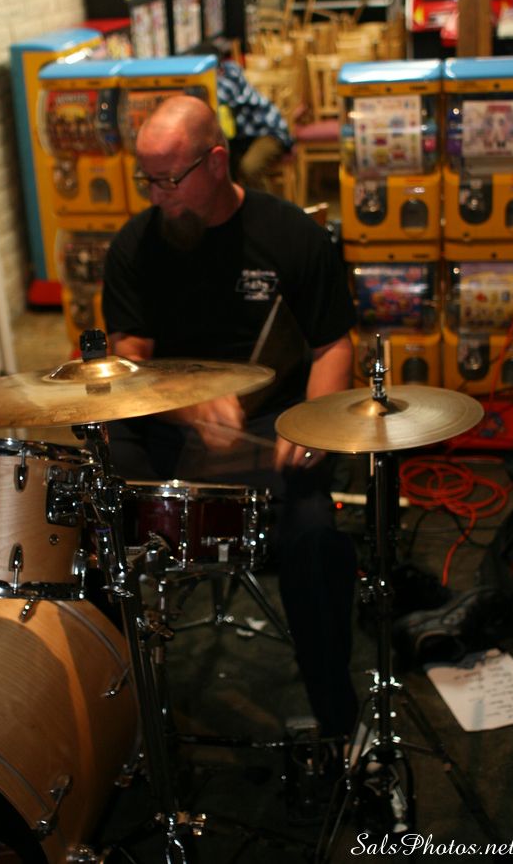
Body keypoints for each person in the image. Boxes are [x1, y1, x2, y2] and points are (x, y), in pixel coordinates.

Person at [102, 95, 358, 745]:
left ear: (216, 162)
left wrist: (312, 425)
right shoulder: (135, 246)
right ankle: (107, 711)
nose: (157, 197)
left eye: (170, 180)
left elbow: (333, 343)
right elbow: (127, 362)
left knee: (314, 536)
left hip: (269, 426)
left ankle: (337, 720)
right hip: (163, 424)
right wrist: (188, 405)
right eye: (147, 180)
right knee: (87, 513)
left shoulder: (291, 236)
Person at [192, 42, 293, 193]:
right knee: (225, 165)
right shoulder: (228, 69)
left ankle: (264, 206)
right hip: (246, 137)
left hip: (269, 133)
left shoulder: (226, 82)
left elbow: (215, 106)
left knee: (249, 168)